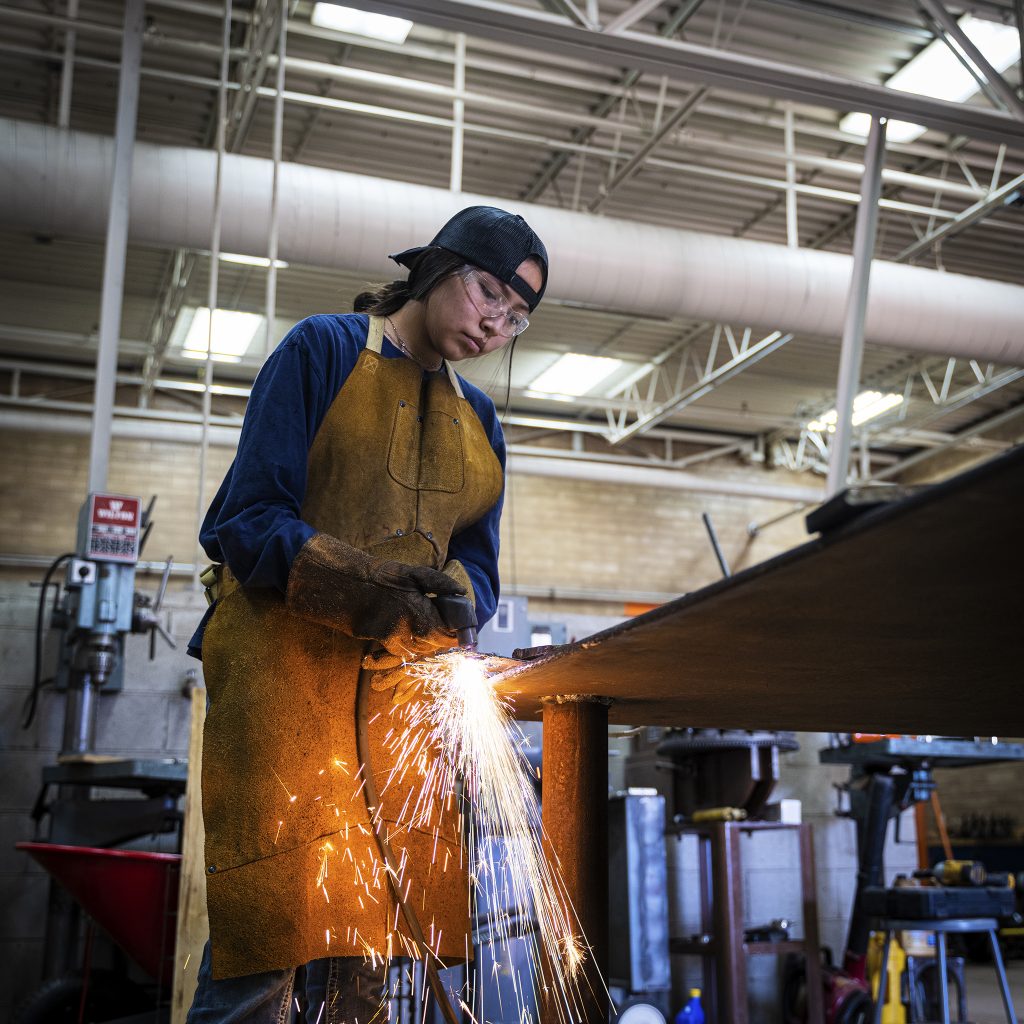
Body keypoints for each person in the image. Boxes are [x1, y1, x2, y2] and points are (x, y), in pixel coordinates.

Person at [185, 206, 549, 1024]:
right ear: (433, 270)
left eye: (517, 314)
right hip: (286, 685)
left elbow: (480, 567)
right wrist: (367, 586)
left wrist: (460, 602)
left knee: (369, 957)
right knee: (267, 950)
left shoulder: (480, 423)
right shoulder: (322, 350)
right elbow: (246, 520)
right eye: (488, 291)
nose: (498, 321)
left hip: (395, 700)